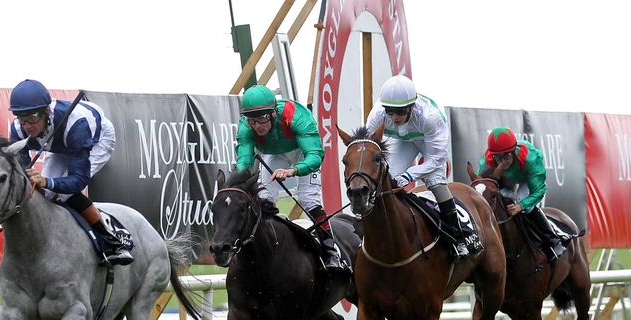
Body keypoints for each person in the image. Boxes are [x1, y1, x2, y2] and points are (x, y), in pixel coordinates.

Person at [8, 79, 133, 266]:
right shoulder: (18, 129)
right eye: (21, 118)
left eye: (32, 118)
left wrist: (48, 181)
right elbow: (24, 174)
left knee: (65, 192)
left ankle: (113, 241)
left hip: (97, 140)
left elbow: (79, 180)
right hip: (61, 146)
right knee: (44, 194)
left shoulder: (76, 125)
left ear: (46, 111)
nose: (27, 126)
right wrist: (36, 182)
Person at [365, 75, 474, 259]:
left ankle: (458, 237)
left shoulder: (431, 117)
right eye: (390, 111)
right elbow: (369, 145)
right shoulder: (378, 113)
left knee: (436, 184)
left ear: (412, 106)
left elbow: (435, 159)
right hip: (403, 142)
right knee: (386, 179)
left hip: (429, 145)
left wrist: (409, 176)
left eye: (399, 111)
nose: (394, 117)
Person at [235, 84, 342, 270]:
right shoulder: (246, 126)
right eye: (252, 120)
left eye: (261, 118)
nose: (257, 126)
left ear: (273, 113)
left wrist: (293, 170)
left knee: (308, 198)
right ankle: (267, 249)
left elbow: (315, 156)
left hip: (303, 152)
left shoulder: (295, 117)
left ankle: (331, 251)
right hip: (274, 154)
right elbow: (244, 163)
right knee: (264, 199)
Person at [478, 126, 565, 261]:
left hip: (525, 176)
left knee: (522, 202)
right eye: (498, 157)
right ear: (492, 155)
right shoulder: (486, 163)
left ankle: (553, 240)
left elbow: (539, 190)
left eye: (507, 156)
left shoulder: (529, 158)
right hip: (504, 180)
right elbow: (483, 187)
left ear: (513, 151)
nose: (502, 162)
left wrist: (520, 206)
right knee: (502, 200)